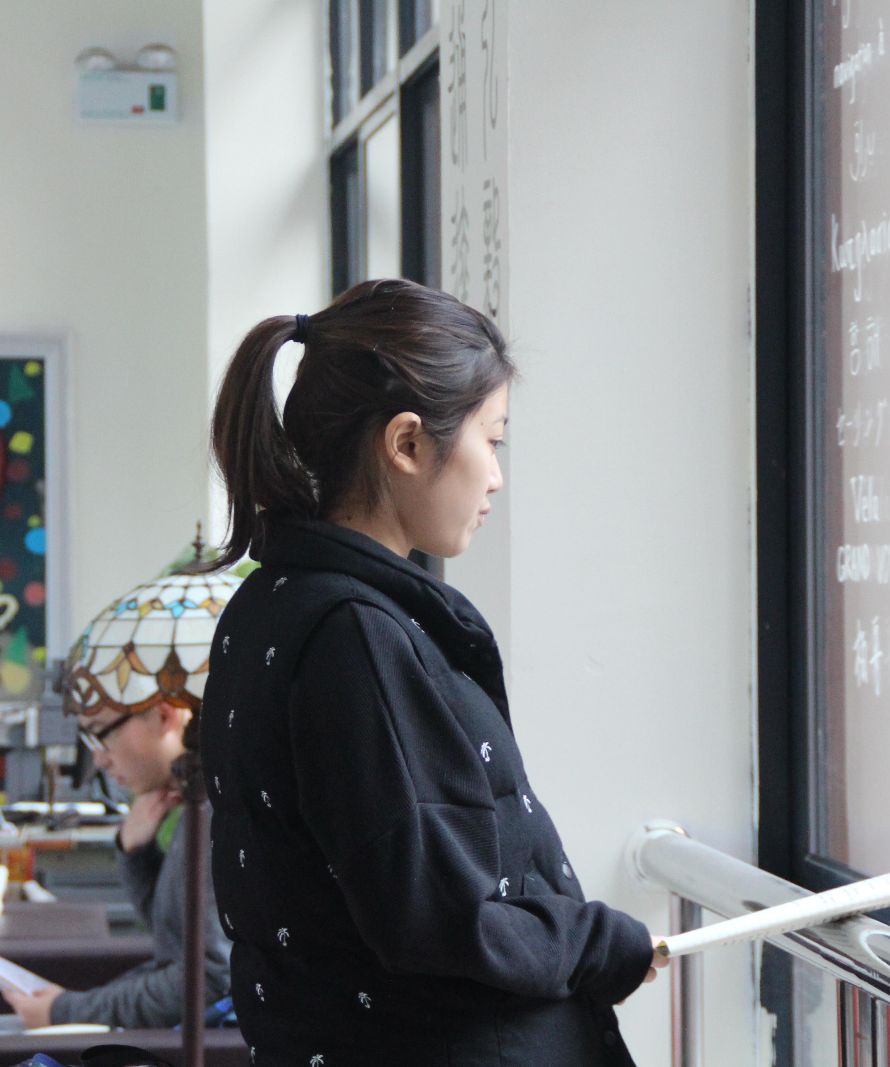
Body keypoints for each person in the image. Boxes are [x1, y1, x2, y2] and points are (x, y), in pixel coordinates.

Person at [199, 278, 665, 1065]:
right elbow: (437, 919)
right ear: (408, 443)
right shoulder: (357, 634)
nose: (496, 477)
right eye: (493, 439)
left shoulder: (270, 606)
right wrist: (597, 943)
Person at [2, 698, 233, 1030]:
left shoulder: (217, 816)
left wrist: (67, 1012)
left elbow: (208, 981)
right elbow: (174, 944)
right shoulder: (203, 808)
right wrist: (135, 854)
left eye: (102, 734)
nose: (100, 758)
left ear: (164, 715)